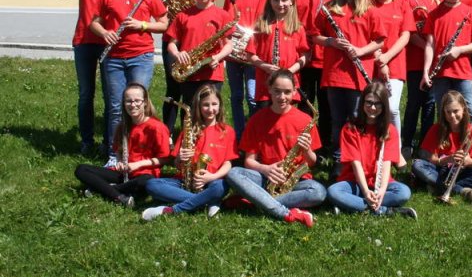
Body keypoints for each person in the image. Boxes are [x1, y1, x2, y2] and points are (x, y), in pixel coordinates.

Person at [225, 70, 325, 228]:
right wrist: (266, 169)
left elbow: (311, 162)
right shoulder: (257, 119)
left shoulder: (305, 119)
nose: (282, 97)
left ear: (294, 91)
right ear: (269, 89)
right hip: (266, 178)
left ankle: (256, 200)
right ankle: (285, 212)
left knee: (318, 192)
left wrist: (306, 150)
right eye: (277, 91)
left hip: (296, 181)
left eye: (287, 92)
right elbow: (249, 161)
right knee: (233, 173)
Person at [91, 0, 167, 157]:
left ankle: (138, 152)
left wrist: (142, 25)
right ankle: (114, 154)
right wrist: (105, 33)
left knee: (138, 105)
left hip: (140, 56)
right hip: (114, 58)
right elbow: (94, 23)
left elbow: (164, 23)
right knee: (116, 107)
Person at [312, 0, 385, 164]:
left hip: (358, 75)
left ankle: (356, 158)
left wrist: (360, 51)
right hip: (335, 74)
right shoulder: (329, 8)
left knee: (356, 117)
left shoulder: (369, 10)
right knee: (337, 119)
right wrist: (331, 41)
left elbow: (380, 40)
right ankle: (339, 159)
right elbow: (314, 35)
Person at [56, 0, 120, 157]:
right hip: (84, 41)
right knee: (86, 94)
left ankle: (109, 142)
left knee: (110, 96)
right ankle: (86, 141)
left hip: (108, 43)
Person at [142, 85, 237, 220]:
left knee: (221, 186)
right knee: (152, 185)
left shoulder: (227, 131)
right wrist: (179, 158)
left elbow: (228, 163)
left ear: (220, 105)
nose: (210, 109)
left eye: (214, 104)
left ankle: (173, 210)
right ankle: (208, 201)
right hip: (184, 180)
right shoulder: (189, 129)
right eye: (205, 105)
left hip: (212, 180)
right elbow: (176, 164)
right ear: (198, 106)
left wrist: (211, 177)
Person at [327, 82, 416, 218]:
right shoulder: (350, 128)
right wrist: (365, 191)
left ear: (384, 105)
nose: (372, 107)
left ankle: (354, 205)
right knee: (333, 191)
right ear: (362, 103)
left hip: (378, 182)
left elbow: (386, 164)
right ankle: (384, 210)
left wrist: (381, 191)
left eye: (377, 103)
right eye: (369, 102)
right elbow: (356, 164)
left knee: (404, 192)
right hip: (355, 182)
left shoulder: (390, 130)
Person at [74, 83, 170, 207]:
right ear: (124, 103)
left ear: (145, 102)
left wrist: (137, 165)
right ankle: (120, 195)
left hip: (145, 173)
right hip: (124, 173)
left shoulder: (157, 127)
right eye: (128, 101)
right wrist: (119, 161)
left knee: (146, 182)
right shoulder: (123, 126)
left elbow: (165, 159)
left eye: (137, 101)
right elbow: (118, 150)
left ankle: (106, 190)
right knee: (81, 169)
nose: (133, 105)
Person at [412, 91, 472, 202]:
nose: (452, 115)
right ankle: (462, 191)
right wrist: (447, 159)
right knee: (417, 165)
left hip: (464, 172)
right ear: (443, 112)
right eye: (448, 112)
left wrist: (469, 161)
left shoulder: (471, 130)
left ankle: (440, 186)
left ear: (463, 109)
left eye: (455, 111)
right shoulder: (436, 129)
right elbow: (429, 157)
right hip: (440, 170)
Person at [421, 0, 472, 124]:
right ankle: (446, 140)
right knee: (443, 114)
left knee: (470, 113)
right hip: (440, 73)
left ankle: (471, 140)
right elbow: (429, 45)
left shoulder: (470, 13)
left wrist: (459, 50)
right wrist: (426, 71)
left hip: (462, 71)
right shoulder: (434, 14)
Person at [165, 0, 234, 108]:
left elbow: (229, 45)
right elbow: (171, 44)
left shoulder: (223, 15)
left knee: (211, 112)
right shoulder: (183, 16)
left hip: (212, 73)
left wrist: (218, 57)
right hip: (189, 72)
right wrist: (178, 54)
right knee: (189, 111)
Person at [370, 0, 413, 165]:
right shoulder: (369, 5)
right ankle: (376, 146)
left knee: (392, 108)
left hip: (395, 63)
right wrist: (379, 58)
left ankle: (396, 150)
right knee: (373, 107)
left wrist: (386, 57)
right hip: (373, 62)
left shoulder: (402, 4)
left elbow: (405, 35)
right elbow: (367, 35)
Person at [295, 0, 337, 154]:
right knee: (306, 102)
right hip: (305, 55)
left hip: (328, 55)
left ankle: (326, 144)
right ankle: (307, 143)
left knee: (327, 103)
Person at [223, 0, 268, 140]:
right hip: (234, 53)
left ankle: (254, 134)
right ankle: (240, 134)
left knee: (252, 96)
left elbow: (264, 21)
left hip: (253, 53)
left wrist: (248, 34)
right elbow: (227, 21)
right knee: (236, 97)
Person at [246, 0, 309, 112]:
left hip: (288, 83)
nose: (280, 4)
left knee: (286, 119)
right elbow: (250, 55)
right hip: (265, 83)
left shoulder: (297, 27)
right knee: (265, 118)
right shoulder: (261, 25)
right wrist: (265, 66)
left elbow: (305, 56)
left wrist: (289, 71)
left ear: (291, 1)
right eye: (276, 0)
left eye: (284, 0)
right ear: (270, 1)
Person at [162, 0, 203, 137]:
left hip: (194, 40)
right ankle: (167, 133)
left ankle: (185, 133)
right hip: (173, 39)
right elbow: (166, 9)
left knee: (190, 87)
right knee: (173, 86)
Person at [401, 0, 438, 160]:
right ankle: (407, 142)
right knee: (414, 102)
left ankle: (426, 143)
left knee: (430, 104)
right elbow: (409, 31)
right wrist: (427, 47)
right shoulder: (407, 1)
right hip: (415, 60)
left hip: (435, 63)